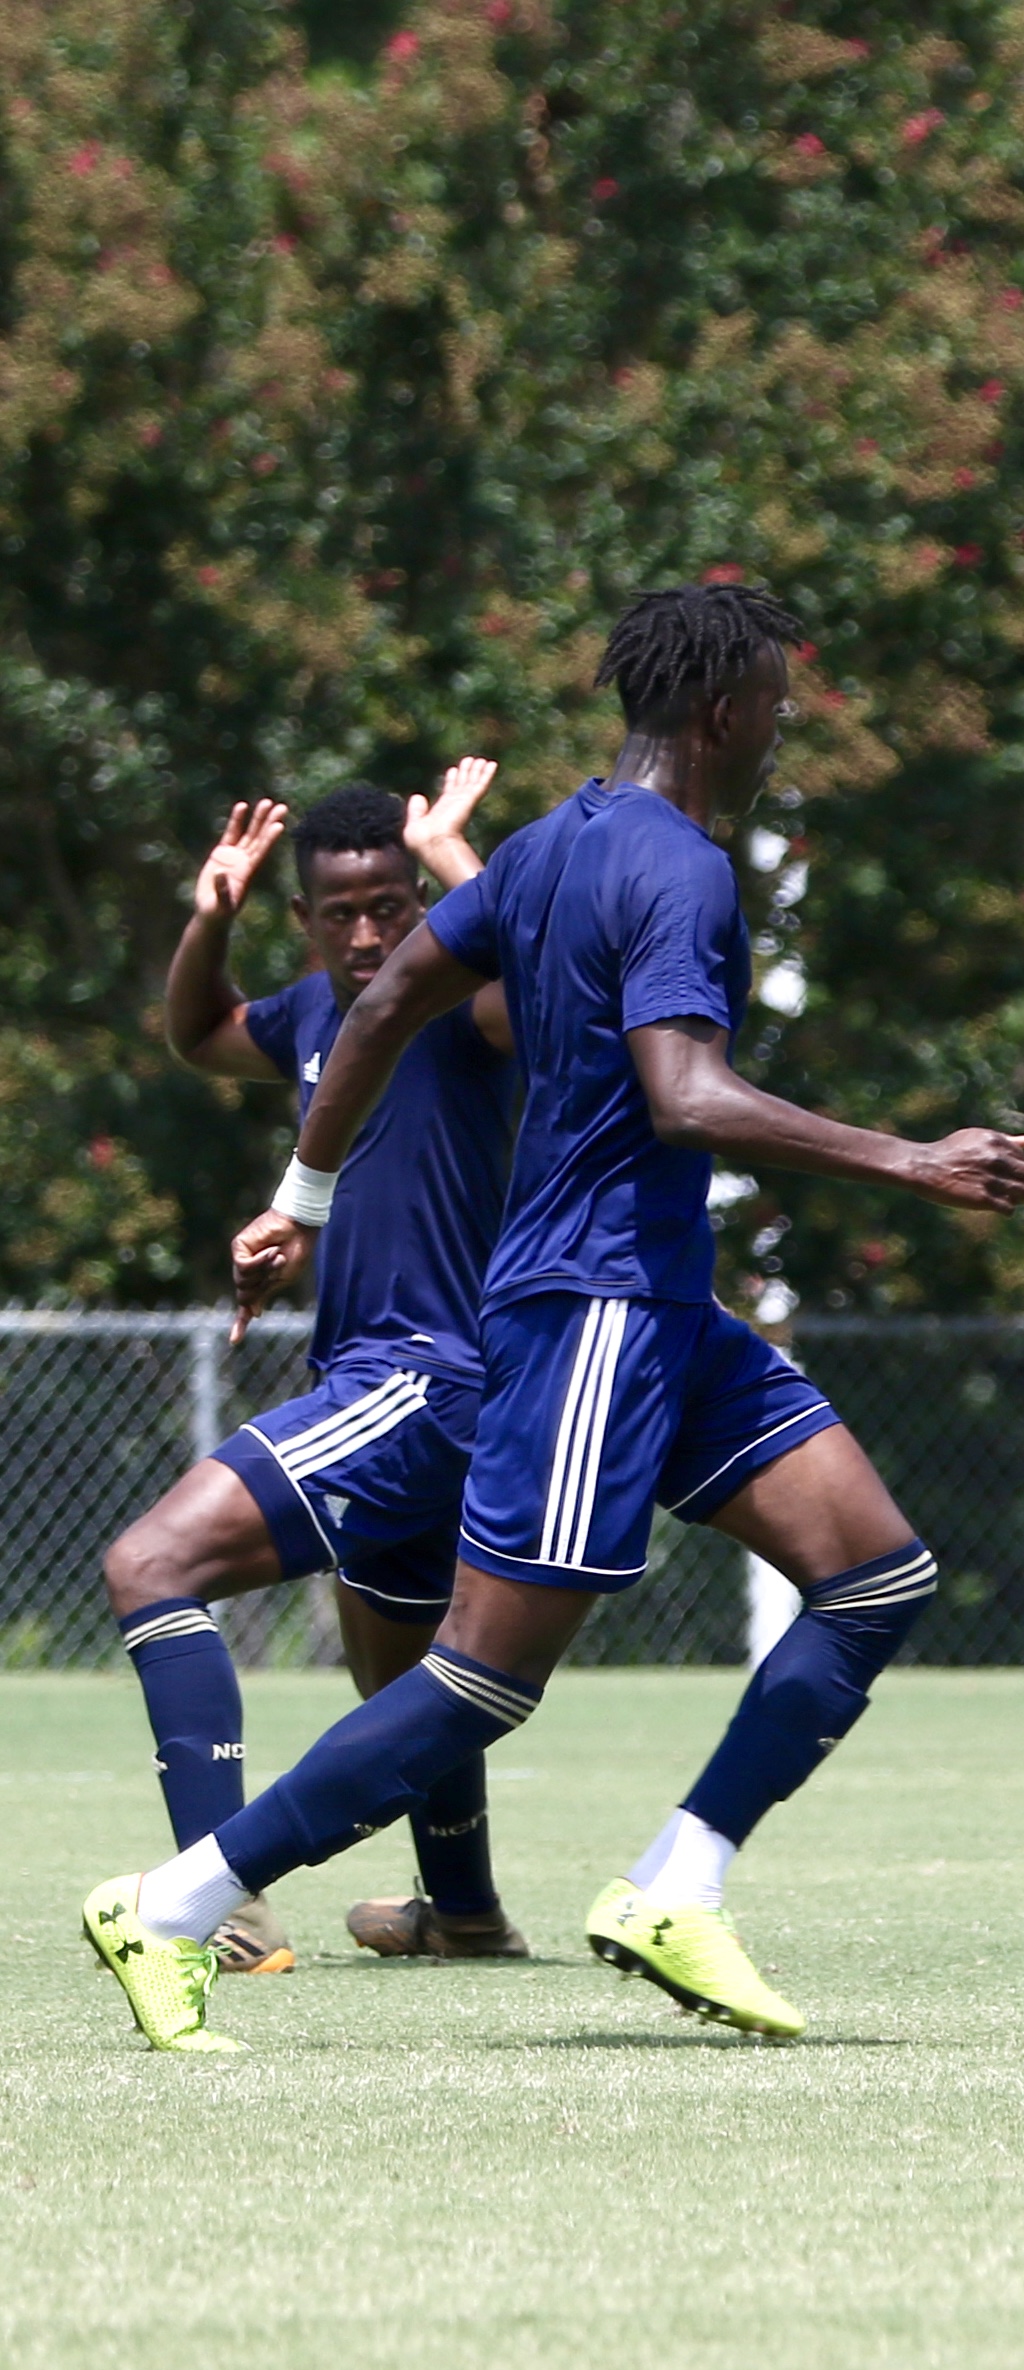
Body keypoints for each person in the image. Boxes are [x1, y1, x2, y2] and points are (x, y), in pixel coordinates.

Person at [82, 582, 1024, 2054]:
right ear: (725, 712)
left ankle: (679, 1882)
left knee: (877, 1575)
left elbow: (393, 996)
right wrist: (911, 1158)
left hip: (662, 1309)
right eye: (777, 706)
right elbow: (685, 1095)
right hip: (592, 1309)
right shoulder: (684, 870)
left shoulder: (545, 846)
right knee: (478, 1683)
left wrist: (304, 1192)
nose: (781, 731)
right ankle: (185, 1902)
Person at [102, 765, 518, 1971]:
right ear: (307, 918)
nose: (369, 931)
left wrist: (454, 858)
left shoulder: (463, 1007)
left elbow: (553, 985)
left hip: (424, 1378)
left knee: (151, 1561)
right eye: (339, 911)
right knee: (408, 1679)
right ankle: (465, 1915)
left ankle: (216, 1907)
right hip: (394, 1382)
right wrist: (209, 915)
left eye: (389, 902)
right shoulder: (306, 1016)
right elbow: (195, 1036)